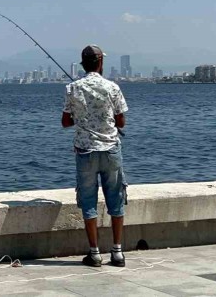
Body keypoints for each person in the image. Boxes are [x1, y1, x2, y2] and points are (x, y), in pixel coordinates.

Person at [61, 45, 128, 268]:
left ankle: (95, 253)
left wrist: (81, 120)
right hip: (110, 150)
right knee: (116, 199)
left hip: (85, 152)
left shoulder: (72, 88)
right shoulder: (112, 87)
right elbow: (121, 122)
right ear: (100, 62)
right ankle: (117, 252)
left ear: (83, 64)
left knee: (88, 201)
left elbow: (65, 122)